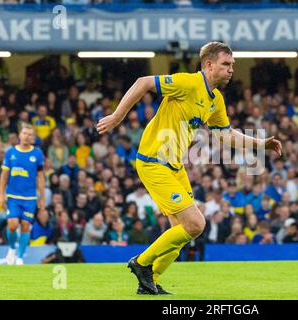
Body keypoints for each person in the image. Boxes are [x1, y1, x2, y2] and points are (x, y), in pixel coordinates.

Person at [97, 41, 282, 295]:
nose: (231, 70)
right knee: (196, 223)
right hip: (153, 162)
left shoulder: (215, 99)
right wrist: (117, 117)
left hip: (174, 166)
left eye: (233, 65)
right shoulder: (187, 83)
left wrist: (260, 144)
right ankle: (140, 263)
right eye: (226, 64)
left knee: (182, 231)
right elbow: (143, 82)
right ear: (208, 64)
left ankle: (149, 281)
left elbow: (225, 135)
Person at [0, 124, 45, 265]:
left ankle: (20, 257)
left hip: (30, 197)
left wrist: (41, 197)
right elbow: (4, 175)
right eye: (24, 133)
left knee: (25, 225)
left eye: (30, 134)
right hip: (13, 196)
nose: (27, 136)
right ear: (19, 135)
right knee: (12, 225)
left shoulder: (37, 154)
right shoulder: (10, 152)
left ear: (33, 138)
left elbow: (40, 176)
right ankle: (12, 248)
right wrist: (1, 194)